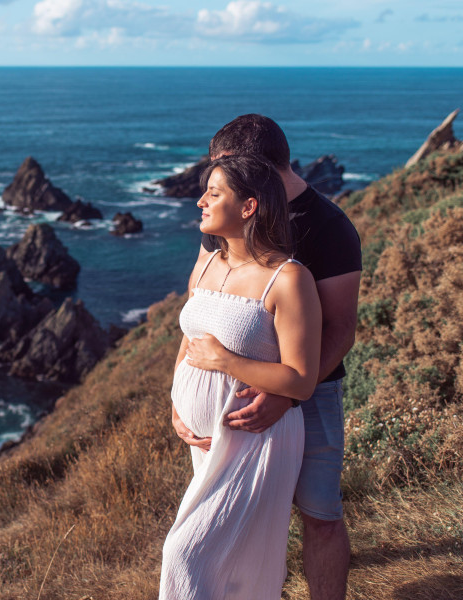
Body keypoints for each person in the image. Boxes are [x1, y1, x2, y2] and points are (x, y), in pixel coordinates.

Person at [172, 114, 362, 600]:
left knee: (319, 516)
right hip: (224, 420)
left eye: (223, 170)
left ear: (253, 171)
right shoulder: (222, 229)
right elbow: (199, 304)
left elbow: (340, 329)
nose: (211, 187)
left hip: (308, 397)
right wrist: (178, 394)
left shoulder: (329, 227)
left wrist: (286, 397)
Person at [159, 153, 322, 599]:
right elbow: (188, 341)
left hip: (258, 440)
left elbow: (302, 380)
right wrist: (177, 405)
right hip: (206, 441)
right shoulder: (207, 264)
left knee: (184, 554)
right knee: (229, 564)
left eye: (213, 193)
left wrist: (227, 361)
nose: (199, 202)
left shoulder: (289, 280)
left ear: (248, 206)